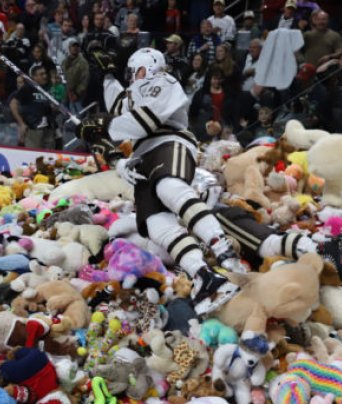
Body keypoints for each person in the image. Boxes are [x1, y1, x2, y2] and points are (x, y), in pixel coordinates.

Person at [77, 47, 245, 317]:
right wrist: (107, 77)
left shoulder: (163, 82)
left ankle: (222, 248)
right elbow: (120, 106)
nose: (131, 77)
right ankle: (205, 276)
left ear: (146, 67)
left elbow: (144, 121)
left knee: (169, 187)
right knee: (156, 226)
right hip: (144, 156)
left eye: (133, 71)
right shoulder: (134, 93)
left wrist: (105, 126)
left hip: (170, 142)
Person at [10, 64, 56, 149]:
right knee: (34, 158)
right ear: (34, 77)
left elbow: (53, 107)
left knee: (50, 159)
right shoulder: (28, 88)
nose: (45, 76)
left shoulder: (48, 89)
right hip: (34, 129)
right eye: (41, 74)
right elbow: (13, 104)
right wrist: (21, 123)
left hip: (49, 129)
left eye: (45, 73)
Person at [62, 38, 90, 115]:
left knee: (78, 113)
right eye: (73, 46)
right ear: (69, 48)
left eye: (77, 46)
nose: (75, 48)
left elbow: (85, 79)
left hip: (77, 93)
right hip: (65, 91)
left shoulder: (83, 62)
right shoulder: (64, 62)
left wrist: (77, 93)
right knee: (65, 111)